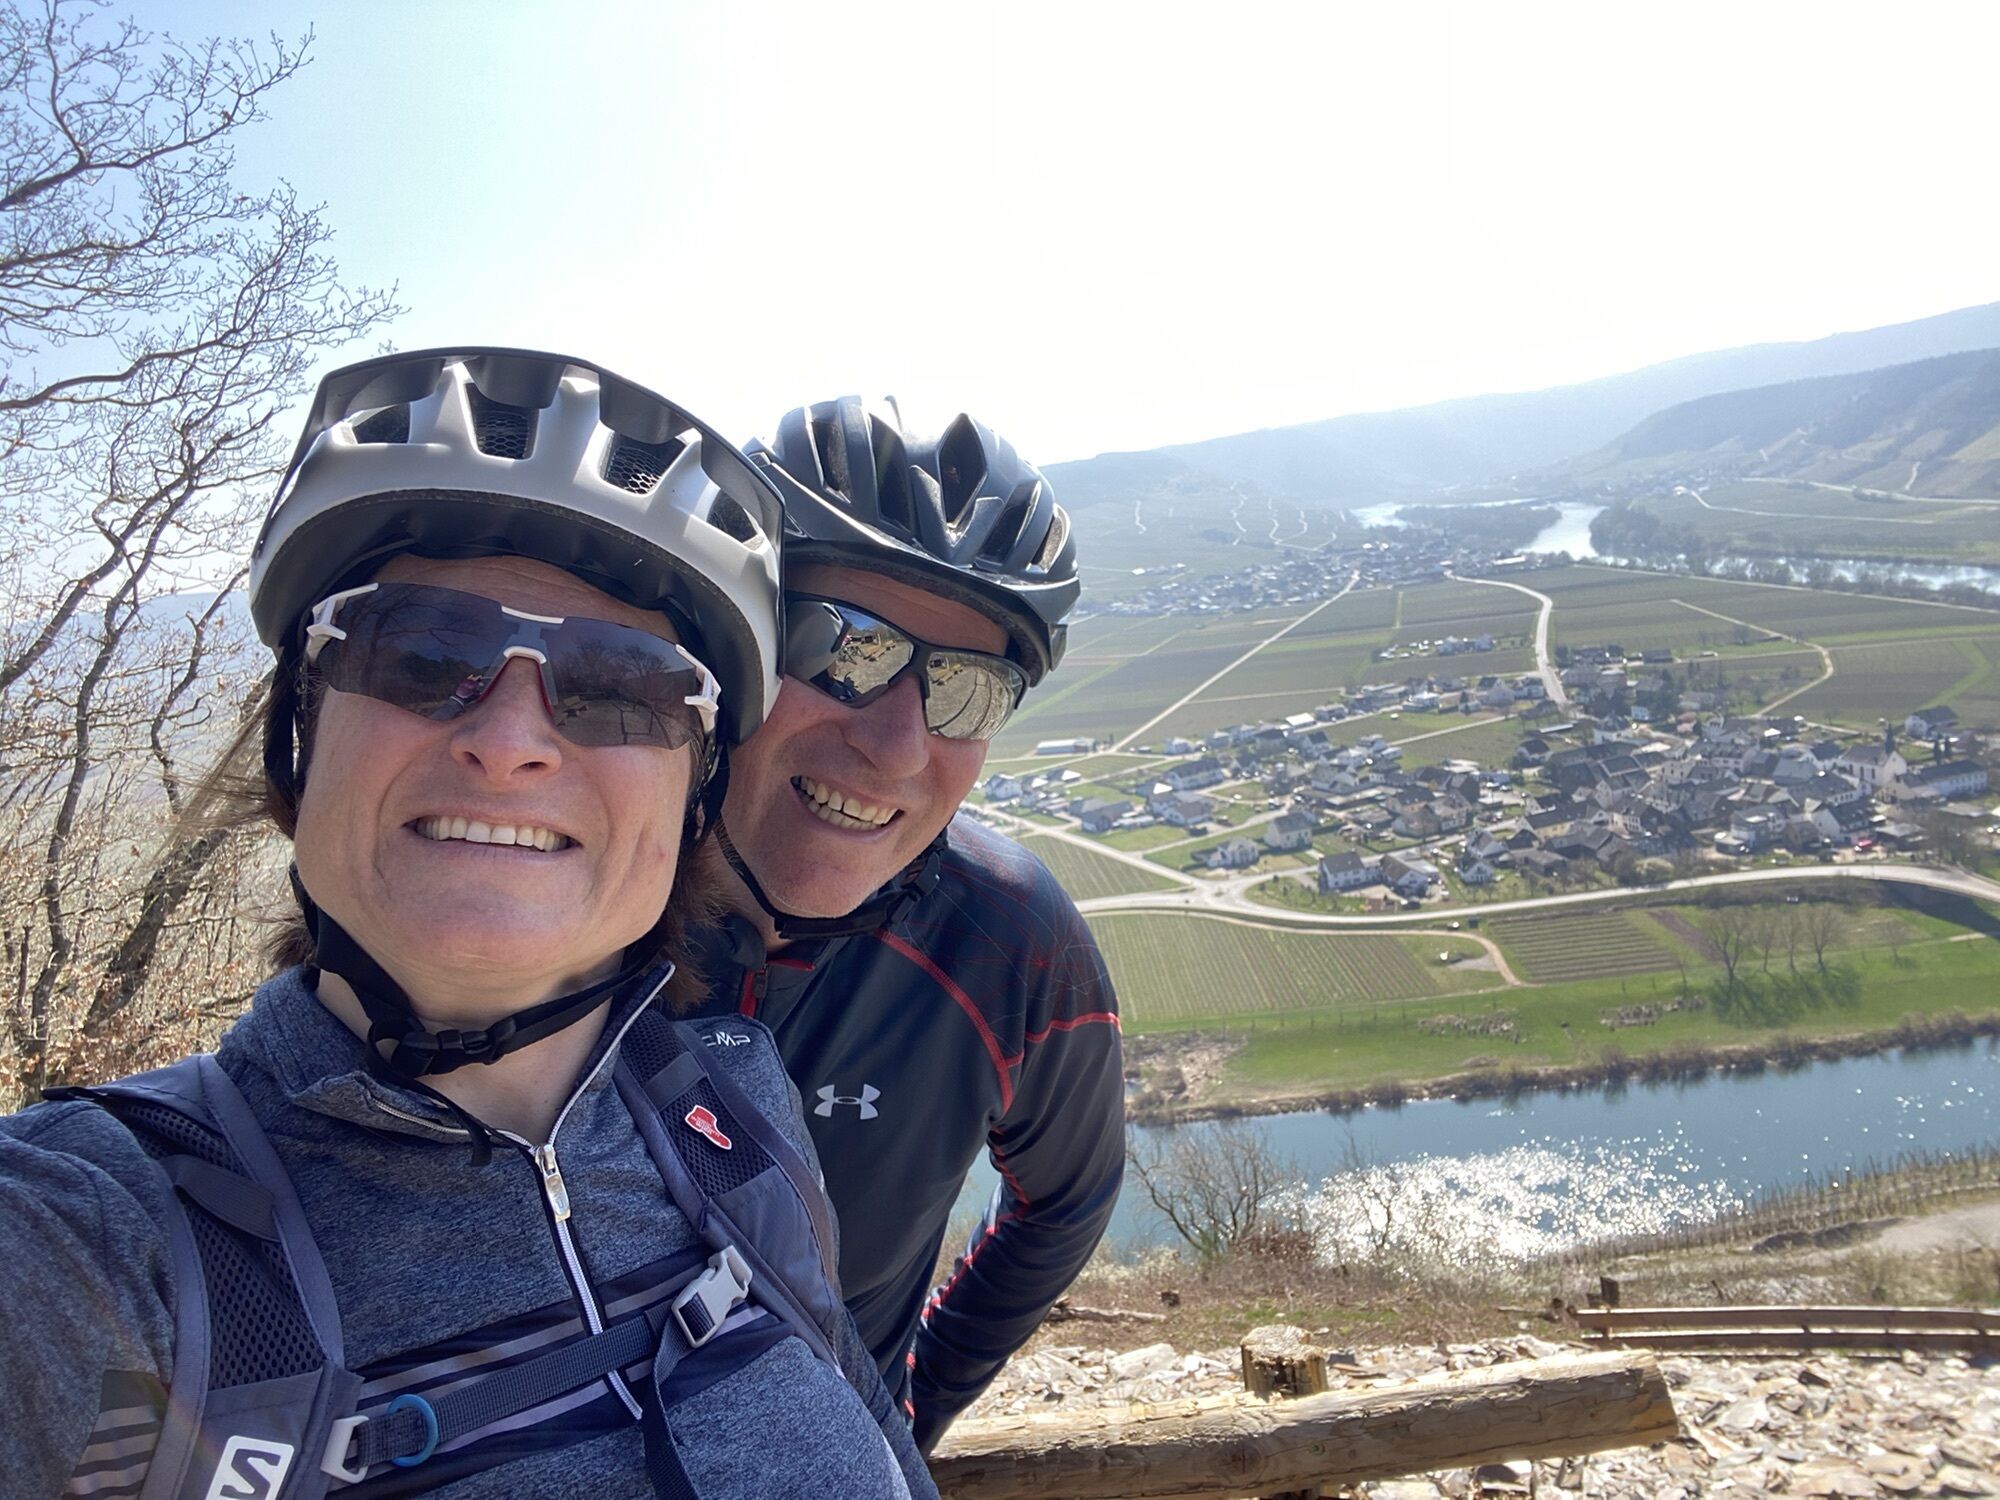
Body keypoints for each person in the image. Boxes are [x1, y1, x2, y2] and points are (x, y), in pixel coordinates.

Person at [0, 351, 936, 1499]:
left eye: (623, 686)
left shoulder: (733, 1109)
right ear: (300, 739)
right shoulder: (89, 1237)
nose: (509, 740)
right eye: (418, 653)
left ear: (693, 801)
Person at [695, 395, 1124, 1452]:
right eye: (843, 647)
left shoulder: (1005, 941)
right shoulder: (563, 899)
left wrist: (910, 1406)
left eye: (967, 692)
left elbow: (1067, 1199)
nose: (895, 747)